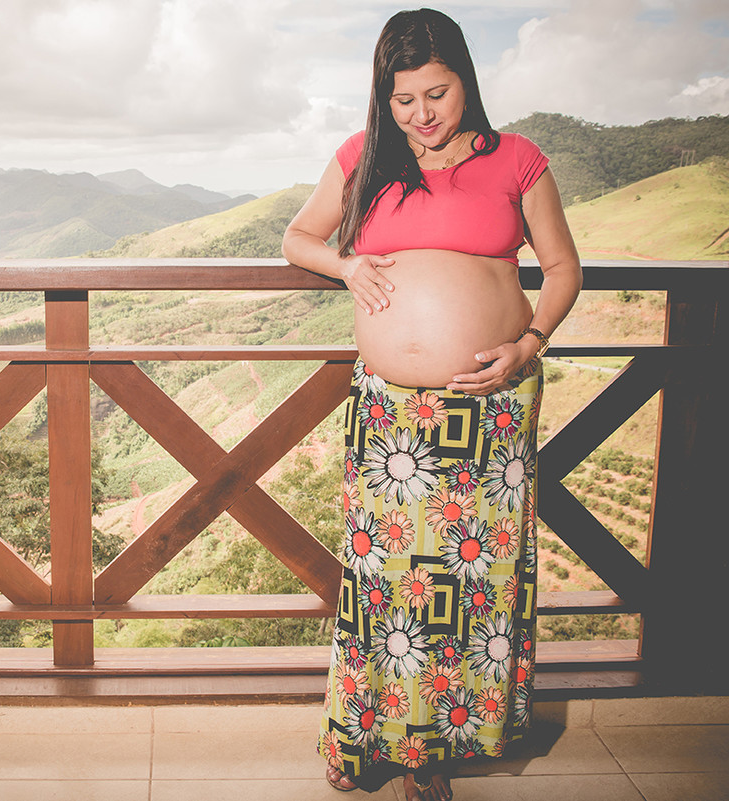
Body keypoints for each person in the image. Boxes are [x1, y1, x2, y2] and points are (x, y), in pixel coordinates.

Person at [282, 8, 581, 801]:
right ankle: (364, 737)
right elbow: (297, 239)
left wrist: (530, 344)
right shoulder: (362, 157)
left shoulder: (518, 158)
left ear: (466, 82)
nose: (422, 114)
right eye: (403, 99)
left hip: (488, 408)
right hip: (390, 417)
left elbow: (560, 269)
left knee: (463, 588)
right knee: (381, 585)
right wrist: (345, 265)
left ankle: (430, 753)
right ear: (383, 98)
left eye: (437, 94)